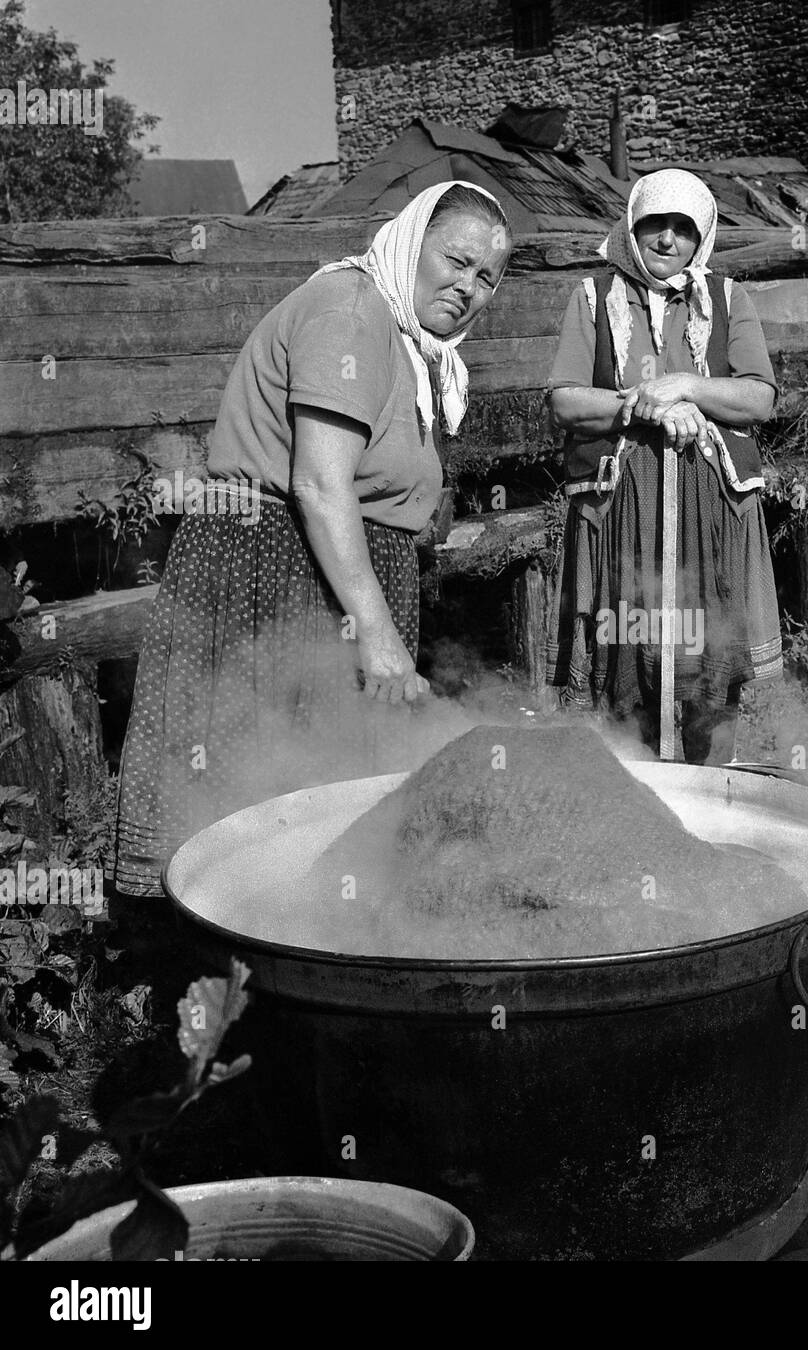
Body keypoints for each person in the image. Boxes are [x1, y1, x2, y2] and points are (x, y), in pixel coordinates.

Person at [113, 181, 512, 897]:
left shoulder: (408, 341)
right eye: (455, 260)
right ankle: (227, 964)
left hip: (323, 566)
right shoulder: (353, 310)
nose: (468, 287)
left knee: (319, 793)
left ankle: (297, 940)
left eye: (487, 277)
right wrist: (379, 634)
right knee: (260, 787)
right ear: (411, 240)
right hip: (271, 561)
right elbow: (321, 488)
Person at [546, 169, 781, 764]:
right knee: (626, 655)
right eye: (656, 225)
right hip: (625, 506)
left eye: (684, 228)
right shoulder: (594, 298)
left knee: (709, 668)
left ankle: (711, 791)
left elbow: (759, 398)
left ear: (700, 237)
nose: (669, 240)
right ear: (633, 227)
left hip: (711, 506)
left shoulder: (726, 298)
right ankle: (637, 797)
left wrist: (686, 387)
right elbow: (565, 401)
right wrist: (645, 408)